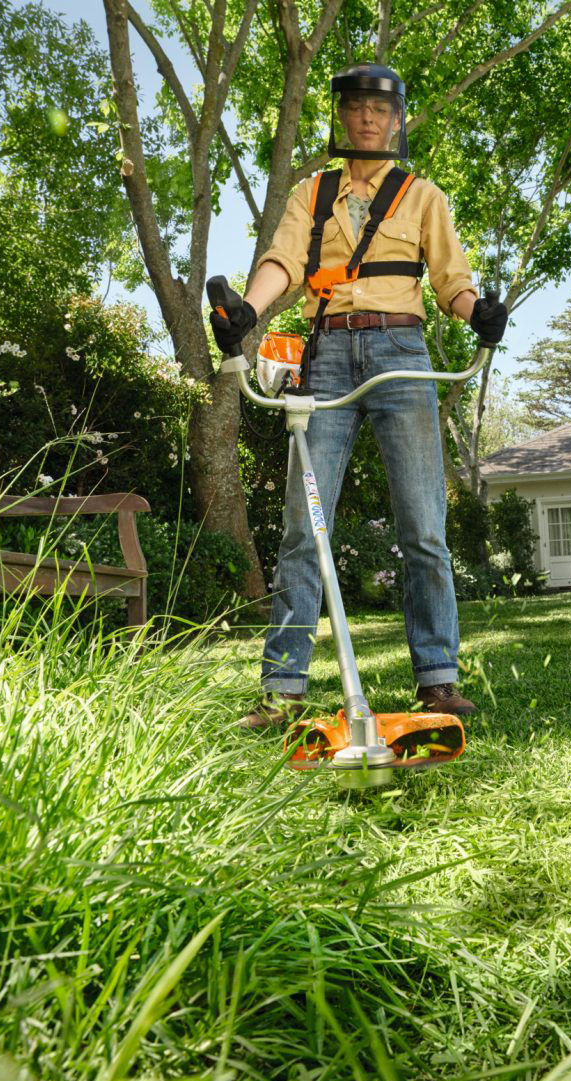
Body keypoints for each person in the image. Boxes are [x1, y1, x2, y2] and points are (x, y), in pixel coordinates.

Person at [212, 62, 507, 729]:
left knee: (424, 526)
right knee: (301, 526)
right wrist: (247, 313)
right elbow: (281, 265)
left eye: (379, 108)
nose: (367, 118)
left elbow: (450, 282)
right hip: (329, 354)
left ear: (397, 119)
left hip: (401, 354)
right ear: (341, 116)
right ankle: (283, 690)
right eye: (355, 107)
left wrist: (476, 313)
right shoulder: (310, 194)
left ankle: (436, 679)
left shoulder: (423, 196)